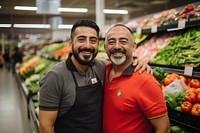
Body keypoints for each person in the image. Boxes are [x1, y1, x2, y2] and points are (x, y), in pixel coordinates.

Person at [39, 19, 152, 133]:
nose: (87, 46)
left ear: (98, 44)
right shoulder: (55, 77)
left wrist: (139, 62)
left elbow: (123, 62)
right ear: (70, 42)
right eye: (81, 40)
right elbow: (45, 127)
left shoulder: (102, 67)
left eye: (93, 40)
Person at [103, 24, 170, 133]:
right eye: (111, 42)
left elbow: (164, 128)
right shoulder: (103, 70)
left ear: (134, 46)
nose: (117, 46)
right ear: (105, 48)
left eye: (123, 41)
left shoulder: (145, 81)